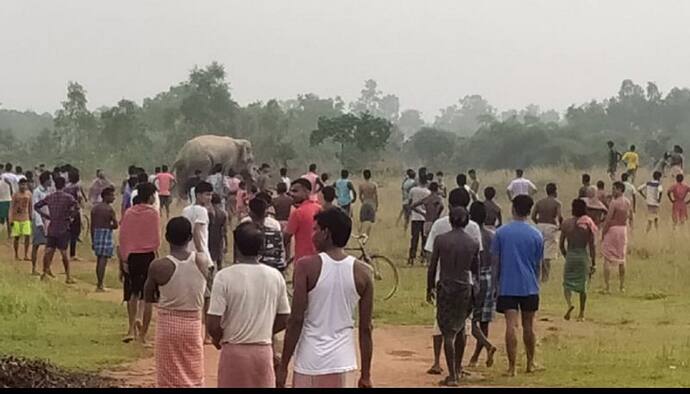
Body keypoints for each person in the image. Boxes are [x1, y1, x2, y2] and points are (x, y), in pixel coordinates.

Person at [277, 208, 374, 388]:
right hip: (343, 362)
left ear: (326, 233)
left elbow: (296, 320)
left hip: (309, 361)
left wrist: (283, 366)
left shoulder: (305, 266)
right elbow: (366, 328)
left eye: (315, 230)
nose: (312, 235)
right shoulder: (364, 272)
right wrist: (366, 375)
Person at [208, 222, 290, 388]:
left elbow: (213, 323)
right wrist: (265, 330)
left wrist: (218, 339)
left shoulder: (224, 277)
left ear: (236, 247)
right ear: (261, 248)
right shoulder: (275, 276)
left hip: (234, 351)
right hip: (263, 350)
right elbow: (284, 317)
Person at [423, 187, 484, 376]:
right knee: (462, 328)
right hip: (465, 286)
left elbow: (432, 265)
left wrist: (429, 287)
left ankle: (446, 370)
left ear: (450, 216)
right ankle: (457, 369)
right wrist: (476, 288)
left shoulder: (441, 237)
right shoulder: (472, 238)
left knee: (444, 329)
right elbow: (476, 268)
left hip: (445, 284)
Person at [144, 217, 208, 388]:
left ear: (166, 237)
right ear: (189, 238)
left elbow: (148, 296)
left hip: (167, 325)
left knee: (168, 376)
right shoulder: (202, 261)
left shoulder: (158, 265)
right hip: (192, 326)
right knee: (194, 374)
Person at [492, 195, 544, 377]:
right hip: (529, 286)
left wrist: (495, 285)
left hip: (507, 286)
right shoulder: (536, 234)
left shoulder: (501, 233)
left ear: (513, 208)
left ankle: (512, 367)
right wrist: (536, 282)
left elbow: (496, 263)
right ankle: (530, 363)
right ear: (529, 211)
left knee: (511, 326)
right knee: (529, 326)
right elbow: (538, 264)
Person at [118, 182, 161, 343]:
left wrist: (123, 259)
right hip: (148, 255)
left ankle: (130, 329)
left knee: (132, 293)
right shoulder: (153, 213)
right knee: (147, 295)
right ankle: (143, 334)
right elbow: (157, 239)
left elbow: (123, 237)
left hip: (131, 257)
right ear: (150, 196)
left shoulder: (129, 213)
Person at [467, 202, 498, 369]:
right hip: (489, 277)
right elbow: (495, 261)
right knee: (484, 321)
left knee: (467, 320)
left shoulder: (470, 234)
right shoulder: (492, 235)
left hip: (474, 278)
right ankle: (475, 357)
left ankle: (487, 345)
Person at [34, 176, 78, 283]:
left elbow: (36, 206)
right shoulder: (68, 197)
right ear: (63, 185)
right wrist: (71, 217)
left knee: (48, 251)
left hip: (52, 227)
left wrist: (46, 215)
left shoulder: (50, 197)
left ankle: (44, 273)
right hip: (63, 227)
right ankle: (68, 276)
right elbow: (77, 207)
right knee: (64, 253)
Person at [560, 199, 597, 321]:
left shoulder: (566, 223)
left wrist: (567, 255)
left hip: (571, 255)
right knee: (583, 285)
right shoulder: (588, 224)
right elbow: (592, 245)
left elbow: (561, 245)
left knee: (567, 284)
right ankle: (581, 314)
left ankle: (570, 304)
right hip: (582, 255)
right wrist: (593, 262)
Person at [601, 182, 631, 293]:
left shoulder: (614, 203)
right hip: (623, 230)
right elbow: (628, 216)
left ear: (619, 189)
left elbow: (608, 219)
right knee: (622, 258)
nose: (612, 191)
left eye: (614, 189)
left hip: (613, 229)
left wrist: (603, 232)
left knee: (607, 258)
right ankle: (622, 286)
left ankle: (607, 286)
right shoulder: (627, 202)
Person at [242, 197, 285, 272]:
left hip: (251, 271)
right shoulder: (276, 230)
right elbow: (280, 257)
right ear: (266, 213)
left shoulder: (245, 230)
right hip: (272, 272)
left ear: (250, 213)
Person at [284, 179, 322, 263]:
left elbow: (286, 237)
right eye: (290, 191)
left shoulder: (298, 213)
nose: (291, 194)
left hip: (302, 261)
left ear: (306, 192)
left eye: (295, 191)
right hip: (320, 261)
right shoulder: (319, 208)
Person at [532, 183, 563, 283]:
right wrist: (560, 226)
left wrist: (538, 223)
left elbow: (533, 216)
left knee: (539, 253)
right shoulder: (557, 203)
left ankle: (537, 275)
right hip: (550, 227)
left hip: (539, 226)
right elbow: (559, 217)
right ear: (554, 191)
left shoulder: (539, 202)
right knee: (547, 255)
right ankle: (545, 278)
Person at [91, 187, 118, 292]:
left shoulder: (95, 208)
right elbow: (115, 225)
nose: (114, 197)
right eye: (112, 195)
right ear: (106, 196)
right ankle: (100, 284)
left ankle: (99, 283)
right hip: (106, 234)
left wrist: (93, 239)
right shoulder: (109, 209)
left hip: (96, 233)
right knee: (103, 260)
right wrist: (109, 226)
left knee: (99, 260)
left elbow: (92, 226)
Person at [410, 182, 444, 248]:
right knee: (434, 242)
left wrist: (423, 213)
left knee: (427, 242)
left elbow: (412, 206)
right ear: (437, 189)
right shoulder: (438, 199)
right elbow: (441, 207)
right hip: (435, 222)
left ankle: (425, 256)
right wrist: (437, 214)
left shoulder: (427, 199)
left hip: (427, 222)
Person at [31, 172, 51, 275]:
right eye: (50, 179)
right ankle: (34, 268)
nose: (51, 181)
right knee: (36, 245)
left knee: (49, 246)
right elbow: (35, 208)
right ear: (46, 180)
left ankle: (47, 268)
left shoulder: (49, 191)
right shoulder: (37, 191)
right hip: (39, 221)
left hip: (48, 220)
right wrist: (40, 224)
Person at [408, 176, 431, 265]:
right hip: (425, 217)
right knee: (424, 239)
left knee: (414, 238)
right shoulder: (428, 192)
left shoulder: (413, 190)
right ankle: (423, 257)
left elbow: (410, 203)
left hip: (415, 217)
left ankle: (411, 258)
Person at [64, 169, 86, 261]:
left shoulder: (66, 187)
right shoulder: (76, 187)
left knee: (67, 232)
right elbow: (79, 197)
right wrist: (81, 205)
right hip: (75, 212)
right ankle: (72, 255)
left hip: (67, 211)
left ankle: (64, 251)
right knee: (75, 233)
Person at [10, 178, 33, 261]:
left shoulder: (29, 194)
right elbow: (11, 207)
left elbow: (30, 206)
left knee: (27, 236)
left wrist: (31, 217)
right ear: (19, 185)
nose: (23, 186)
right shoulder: (15, 195)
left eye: (24, 184)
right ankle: (16, 255)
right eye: (21, 184)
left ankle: (26, 255)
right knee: (17, 237)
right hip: (17, 218)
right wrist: (11, 219)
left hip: (26, 217)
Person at [208, 193, 228, 271]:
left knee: (209, 260)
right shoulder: (223, 213)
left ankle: (210, 278)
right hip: (219, 238)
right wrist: (226, 244)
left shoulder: (208, 212)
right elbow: (225, 230)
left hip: (209, 238)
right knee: (219, 260)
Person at [358, 169, 378, 237]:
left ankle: (359, 234)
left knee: (362, 221)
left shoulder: (361, 185)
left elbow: (360, 196)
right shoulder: (373, 185)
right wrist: (376, 205)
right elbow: (376, 196)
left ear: (363, 176)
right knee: (370, 221)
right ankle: (367, 235)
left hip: (364, 203)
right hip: (372, 204)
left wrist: (363, 201)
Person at [0, 166, 12, 237]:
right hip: (8, 200)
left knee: (1, 219)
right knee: (8, 219)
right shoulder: (8, 183)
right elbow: (11, 191)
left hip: (1, 201)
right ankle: (9, 234)